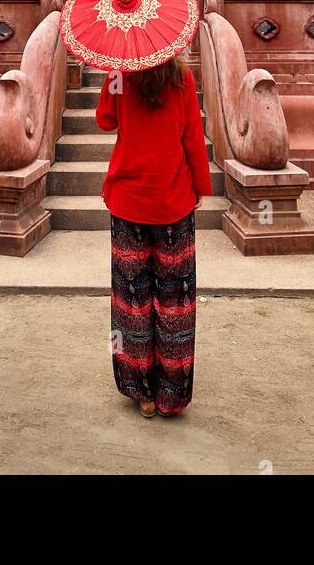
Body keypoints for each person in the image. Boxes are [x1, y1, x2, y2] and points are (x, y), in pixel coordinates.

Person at [96, 55, 212, 419]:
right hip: (172, 201)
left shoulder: (118, 75)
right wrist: (200, 188)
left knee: (133, 300)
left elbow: (104, 121)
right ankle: (171, 395)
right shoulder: (183, 79)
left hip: (128, 201)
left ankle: (141, 391)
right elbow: (193, 135)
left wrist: (113, 77)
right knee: (174, 302)